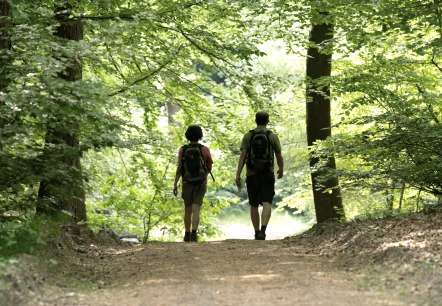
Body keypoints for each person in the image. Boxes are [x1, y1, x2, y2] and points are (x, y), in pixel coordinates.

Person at [235, 111, 284, 240]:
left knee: (254, 204)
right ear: (267, 121)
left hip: (251, 173)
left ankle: (256, 232)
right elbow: (279, 155)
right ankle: (263, 230)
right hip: (267, 173)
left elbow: (243, 155)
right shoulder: (272, 136)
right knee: (267, 202)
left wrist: (238, 174)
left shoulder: (248, 136)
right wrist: (281, 169)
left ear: (256, 120)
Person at [173, 125, 213, 242]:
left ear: (187, 135)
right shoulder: (204, 149)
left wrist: (175, 183)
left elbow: (180, 167)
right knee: (196, 208)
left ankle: (187, 234)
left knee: (188, 208)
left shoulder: (183, 150)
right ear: (200, 136)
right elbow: (209, 164)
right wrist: (204, 175)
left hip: (187, 182)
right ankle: (194, 234)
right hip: (201, 182)